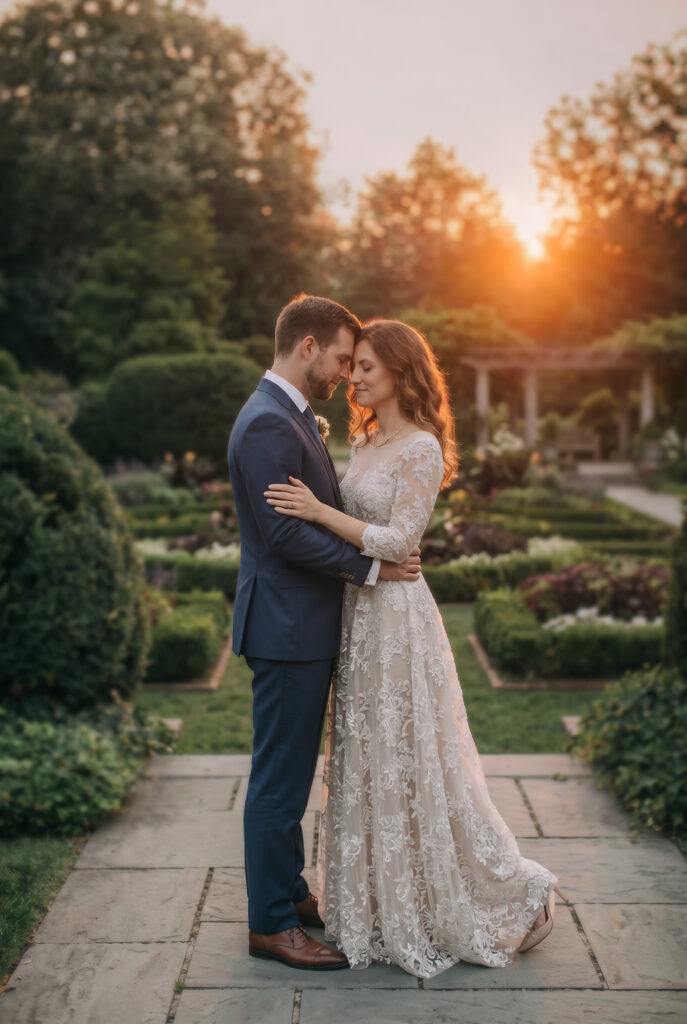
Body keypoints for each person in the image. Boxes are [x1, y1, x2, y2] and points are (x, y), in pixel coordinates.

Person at [264, 318, 557, 978]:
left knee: (412, 753)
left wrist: (318, 511)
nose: (353, 376)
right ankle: (379, 901)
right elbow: (368, 540)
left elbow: (399, 540)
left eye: (366, 367)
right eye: (352, 365)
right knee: (368, 754)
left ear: (401, 372)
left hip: (396, 619)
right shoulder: (365, 439)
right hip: (357, 615)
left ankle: (508, 890)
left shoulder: (421, 446)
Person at [227, 296, 422, 971]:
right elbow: (283, 533)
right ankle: (271, 924)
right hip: (285, 629)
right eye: (342, 358)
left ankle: (287, 890)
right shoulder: (267, 424)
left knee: (289, 774)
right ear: (307, 346)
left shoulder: (285, 415)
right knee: (278, 783)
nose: (345, 374)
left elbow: (316, 513)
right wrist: (371, 567)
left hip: (301, 625)